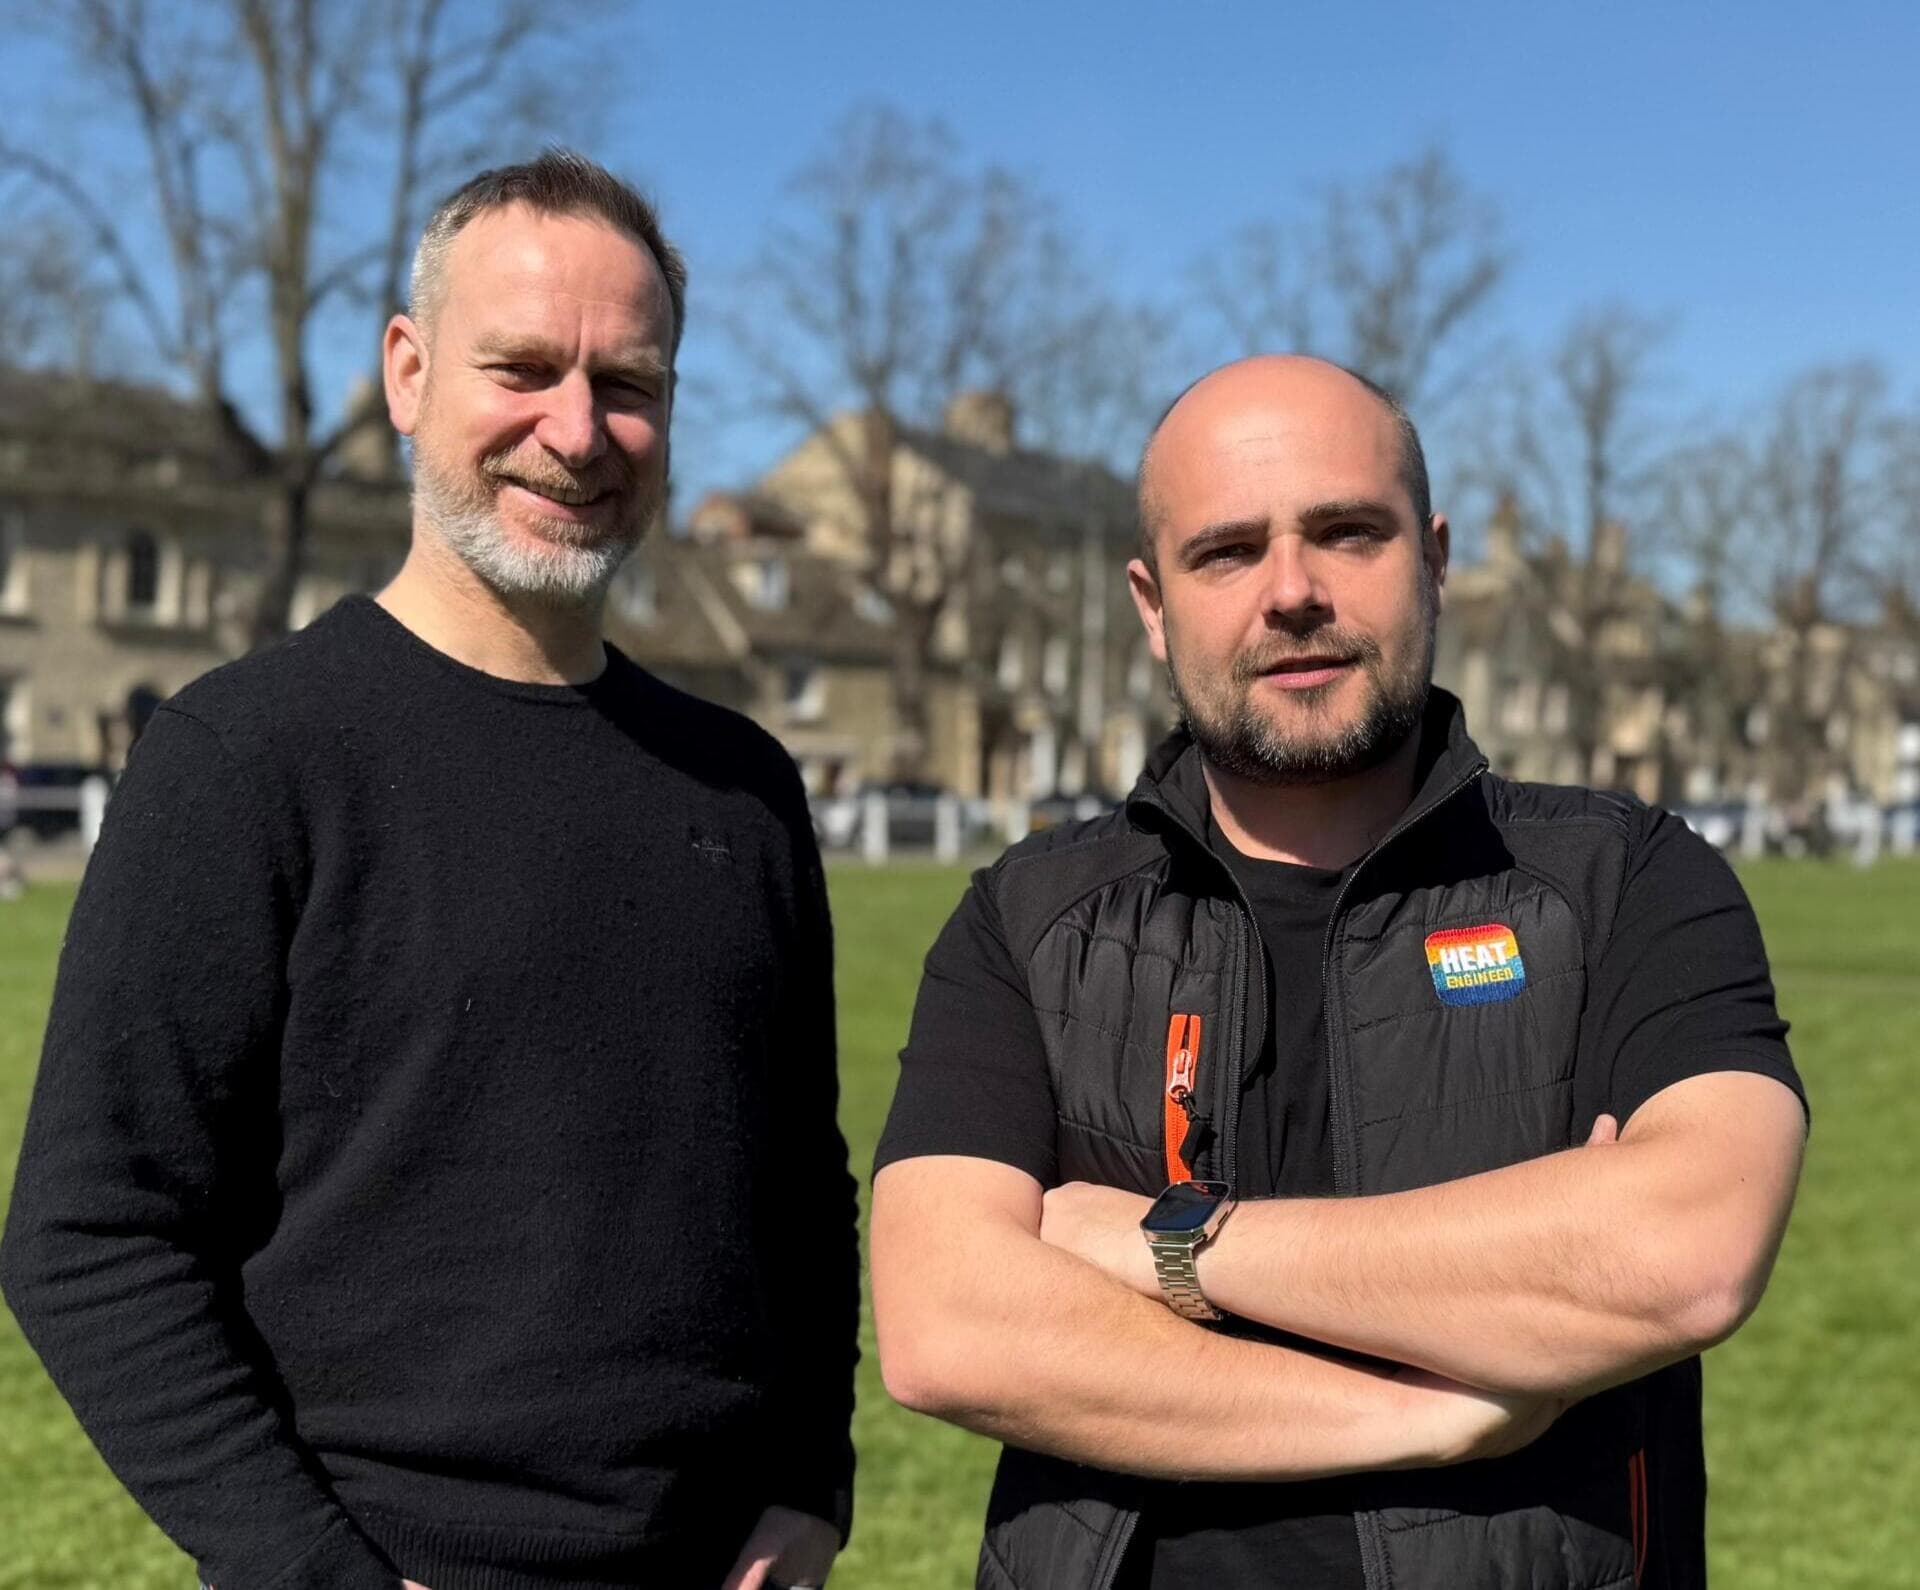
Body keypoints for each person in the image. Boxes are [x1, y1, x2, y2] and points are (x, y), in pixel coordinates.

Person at [1, 151, 856, 1590]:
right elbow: (92, 1230)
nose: (576, 432)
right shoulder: (244, 755)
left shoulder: (746, 782)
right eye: (521, 368)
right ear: (407, 371)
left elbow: (797, 1187)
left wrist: (809, 1478)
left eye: (629, 385)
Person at [870, 355, 1806, 1590]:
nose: (1292, 594)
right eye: (1227, 552)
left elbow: (1685, 1253)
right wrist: (1427, 1412)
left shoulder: (1623, 881)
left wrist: (1175, 1245)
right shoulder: (1034, 920)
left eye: (1347, 533)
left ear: (1436, 558)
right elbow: (948, 1330)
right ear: (1153, 605)